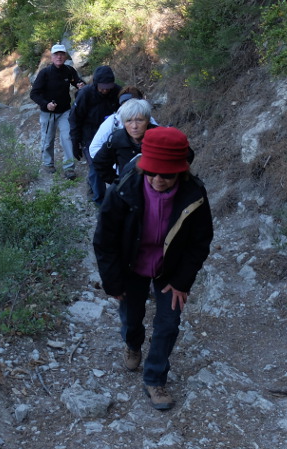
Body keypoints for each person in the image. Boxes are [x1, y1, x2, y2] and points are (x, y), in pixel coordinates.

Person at [93, 126, 214, 411]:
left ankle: (155, 378)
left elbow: (200, 241)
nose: (159, 179)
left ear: (180, 171)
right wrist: (112, 282)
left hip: (170, 271)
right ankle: (132, 344)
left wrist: (183, 280)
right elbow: (104, 240)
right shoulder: (123, 189)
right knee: (131, 318)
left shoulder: (194, 195)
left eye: (167, 174)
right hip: (131, 266)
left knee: (168, 325)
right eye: (152, 173)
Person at [29, 43, 85, 178]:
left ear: (65, 56)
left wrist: (80, 85)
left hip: (65, 111)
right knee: (48, 140)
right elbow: (34, 93)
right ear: (52, 57)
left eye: (61, 54)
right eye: (56, 54)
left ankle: (69, 167)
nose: (59, 57)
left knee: (68, 138)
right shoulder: (45, 73)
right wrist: (46, 104)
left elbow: (77, 81)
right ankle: (48, 164)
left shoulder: (69, 70)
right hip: (48, 113)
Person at [69, 65, 121, 204]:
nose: (105, 90)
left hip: (111, 134)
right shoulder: (85, 94)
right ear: (95, 83)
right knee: (96, 165)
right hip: (90, 135)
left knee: (116, 165)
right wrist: (75, 141)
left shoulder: (117, 92)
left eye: (108, 86)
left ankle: (117, 194)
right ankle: (100, 200)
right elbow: (74, 118)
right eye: (102, 86)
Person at [92, 98, 153, 184]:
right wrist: (118, 183)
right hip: (128, 193)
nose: (134, 126)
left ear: (148, 120)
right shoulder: (117, 139)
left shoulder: (160, 138)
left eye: (139, 120)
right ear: (123, 123)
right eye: (129, 121)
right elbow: (100, 163)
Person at [89, 86, 156, 160]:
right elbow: (94, 148)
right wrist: (114, 163)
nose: (134, 126)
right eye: (125, 104)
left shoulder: (148, 119)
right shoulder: (112, 121)